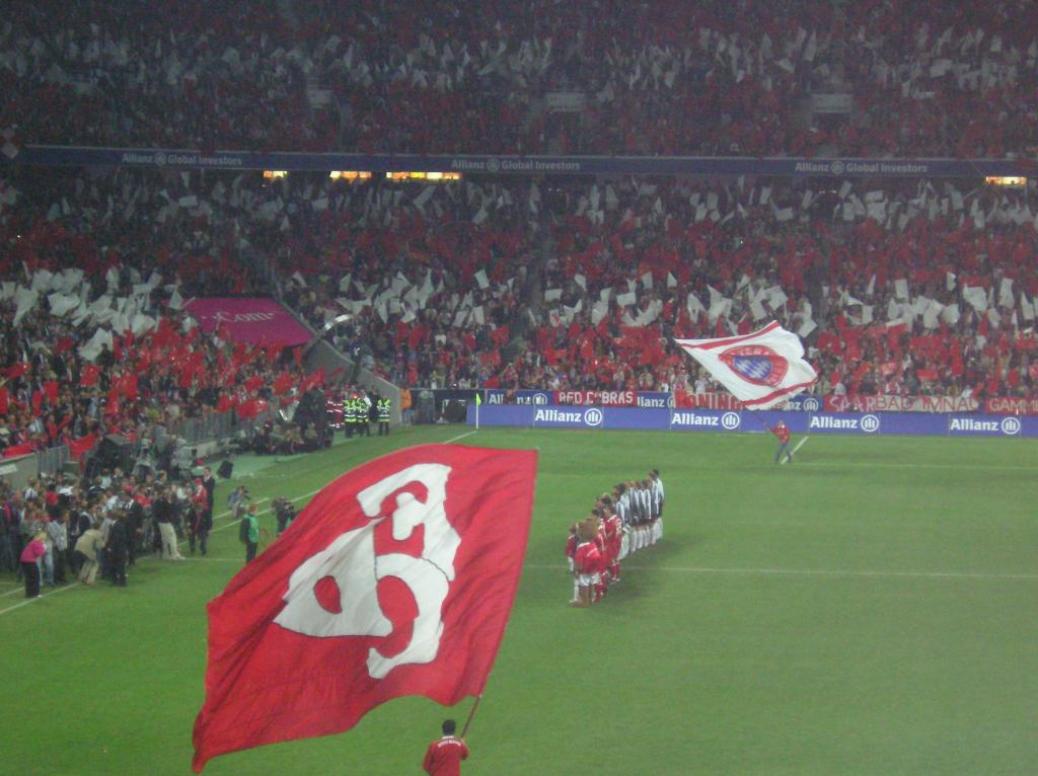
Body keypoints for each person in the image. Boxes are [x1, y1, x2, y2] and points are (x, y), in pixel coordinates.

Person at [73, 520, 104, 585]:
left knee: (87, 561)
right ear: (99, 527)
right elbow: (98, 546)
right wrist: (103, 545)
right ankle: (90, 580)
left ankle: (81, 577)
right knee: (95, 563)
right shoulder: (99, 534)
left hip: (78, 546)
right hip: (87, 548)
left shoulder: (87, 531)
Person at [20, 531, 47, 598]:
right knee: (35, 577)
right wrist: (44, 547)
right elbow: (39, 553)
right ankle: (35, 593)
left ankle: (29, 593)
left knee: (29, 577)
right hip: (29, 561)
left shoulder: (33, 542)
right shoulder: (37, 543)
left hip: (24, 560)